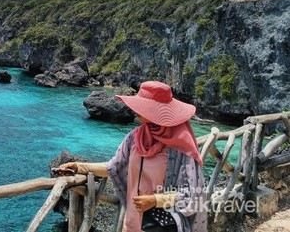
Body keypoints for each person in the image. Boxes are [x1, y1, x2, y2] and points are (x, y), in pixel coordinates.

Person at [57, 81, 207, 232]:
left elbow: (193, 195)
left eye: (144, 106)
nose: (135, 109)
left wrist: (156, 200)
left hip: (163, 225)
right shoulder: (135, 137)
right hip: (133, 223)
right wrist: (78, 166)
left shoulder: (180, 146)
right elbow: (114, 167)